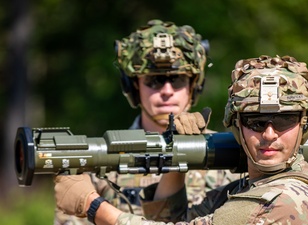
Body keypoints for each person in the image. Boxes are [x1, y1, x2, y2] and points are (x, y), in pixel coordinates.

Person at [54, 55, 308, 224]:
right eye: (255, 121)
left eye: (285, 120)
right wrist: (178, 157)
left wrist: (92, 205)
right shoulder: (248, 187)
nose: (268, 134)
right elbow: (170, 221)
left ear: (305, 124)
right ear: (237, 125)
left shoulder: (282, 199)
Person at [54, 19, 239, 224]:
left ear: (194, 85)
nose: (167, 91)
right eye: (154, 80)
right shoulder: (100, 161)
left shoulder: (229, 155)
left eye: (177, 79)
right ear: (133, 86)